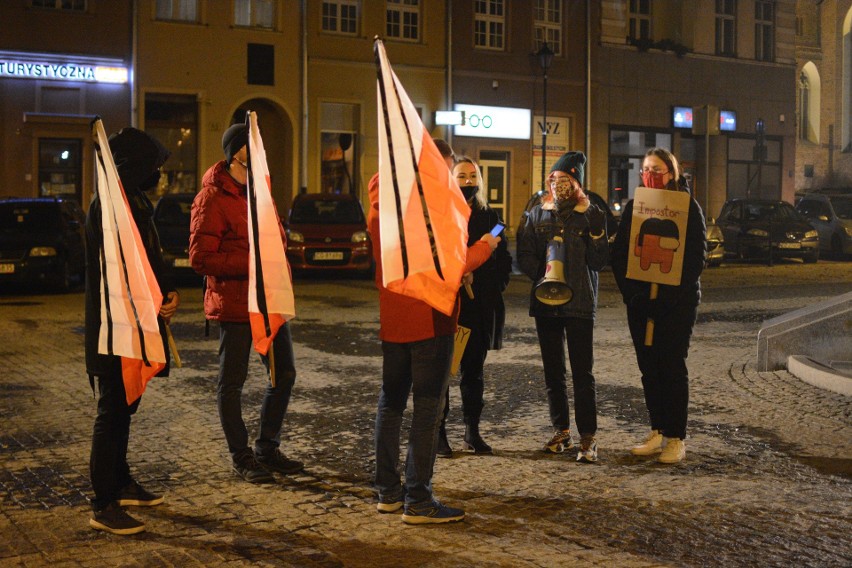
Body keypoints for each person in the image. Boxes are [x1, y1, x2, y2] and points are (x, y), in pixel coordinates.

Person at [371, 139, 500, 524]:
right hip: (431, 317)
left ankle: (388, 493)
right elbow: (454, 263)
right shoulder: (434, 205)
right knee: (429, 407)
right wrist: (487, 244)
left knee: (390, 403)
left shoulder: (388, 199)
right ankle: (419, 500)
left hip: (394, 316)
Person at [189, 123, 303, 484]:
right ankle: (241, 455)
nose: (259, 154)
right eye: (252, 147)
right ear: (236, 153)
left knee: (283, 373)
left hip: (268, 303)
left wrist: (277, 268)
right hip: (235, 304)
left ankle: (266, 447)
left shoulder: (260, 192)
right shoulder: (211, 198)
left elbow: (277, 243)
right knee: (232, 383)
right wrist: (254, 264)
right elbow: (199, 258)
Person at [85, 127, 180, 535]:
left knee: (125, 408)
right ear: (135, 167)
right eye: (154, 167)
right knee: (112, 410)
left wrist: (166, 293)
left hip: (138, 322)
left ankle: (121, 483)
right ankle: (103, 503)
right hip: (114, 327)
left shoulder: (134, 202)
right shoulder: (109, 207)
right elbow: (120, 269)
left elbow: (148, 260)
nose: (159, 175)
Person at [610, 147, 706, 464]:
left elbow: (694, 258)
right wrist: (633, 295)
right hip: (641, 302)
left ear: (672, 174)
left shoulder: (688, 207)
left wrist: (668, 297)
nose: (650, 175)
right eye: (646, 170)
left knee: (671, 365)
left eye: (657, 170)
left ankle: (676, 437)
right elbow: (621, 255)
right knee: (649, 367)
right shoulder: (634, 207)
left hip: (676, 303)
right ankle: (657, 429)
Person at [517, 151, 608, 464]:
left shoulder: (590, 213)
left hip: (580, 302)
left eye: (567, 180)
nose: (560, 185)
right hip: (546, 303)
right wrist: (540, 276)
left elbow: (598, 262)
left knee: (583, 374)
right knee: (553, 372)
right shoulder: (537, 212)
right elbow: (525, 253)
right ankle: (561, 430)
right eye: (556, 179)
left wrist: (598, 233)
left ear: (577, 183)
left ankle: (588, 437)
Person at [436, 156, 512, 457]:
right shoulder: (444, 215)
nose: (468, 181)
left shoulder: (492, 219)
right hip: (451, 309)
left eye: (472, 176)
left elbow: (503, 259)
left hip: (480, 307)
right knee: (443, 373)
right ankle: (438, 433)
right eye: (461, 176)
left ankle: (472, 432)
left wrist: (482, 277)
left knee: (473, 374)